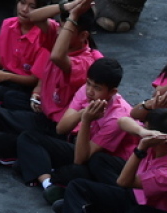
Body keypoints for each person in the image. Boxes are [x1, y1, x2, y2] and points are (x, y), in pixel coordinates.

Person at [0, 0, 102, 173]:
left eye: (67, 30)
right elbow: (33, 17)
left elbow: (57, 56)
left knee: (1, 139)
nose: (59, 32)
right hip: (40, 115)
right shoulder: (58, 38)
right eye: (60, 26)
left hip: (58, 130)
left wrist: (73, 16)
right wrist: (67, 7)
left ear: (83, 36)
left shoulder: (85, 61)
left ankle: (0, 149)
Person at [58, 108, 167, 213]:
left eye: (145, 127)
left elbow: (123, 181)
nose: (143, 129)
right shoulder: (164, 139)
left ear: (159, 140)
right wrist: (141, 132)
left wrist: (141, 148)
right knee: (78, 186)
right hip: (134, 197)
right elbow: (123, 121)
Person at [17, 56, 137, 203]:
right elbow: (61, 128)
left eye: (97, 88)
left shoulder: (117, 117)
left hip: (106, 165)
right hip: (81, 148)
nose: (90, 91)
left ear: (112, 92)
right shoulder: (85, 91)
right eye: (89, 84)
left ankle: (43, 171)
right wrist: (82, 113)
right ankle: (48, 183)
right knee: (28, 137)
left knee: (73, 171)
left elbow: (81, 159)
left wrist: (86, 120)